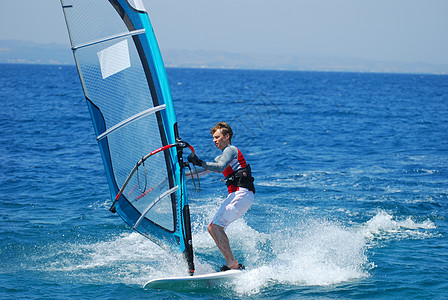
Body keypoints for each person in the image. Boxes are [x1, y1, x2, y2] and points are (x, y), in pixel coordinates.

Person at [188, 122, 255, 271]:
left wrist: (198, 161)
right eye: (213, 138)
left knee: (216, 227)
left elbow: (219, 168)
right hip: (239, 195)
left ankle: (232, 262)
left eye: (217, 137)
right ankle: (232, 263)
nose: (214, 140)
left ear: (227, 136)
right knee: (213, 228)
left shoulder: (230, 150)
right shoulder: (222, 156)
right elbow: (204, 171)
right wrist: (182, 175)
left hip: (241, 193)